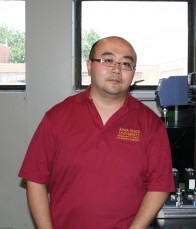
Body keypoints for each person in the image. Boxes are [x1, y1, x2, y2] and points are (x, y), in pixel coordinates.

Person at [18, 36, 175, 229]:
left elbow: (160, 186)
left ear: (133, 73)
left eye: (126, 64)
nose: (117, 69)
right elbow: (34, 179)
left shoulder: (151, 125)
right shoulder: (57, 117)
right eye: (108, 60)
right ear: (89, 65)